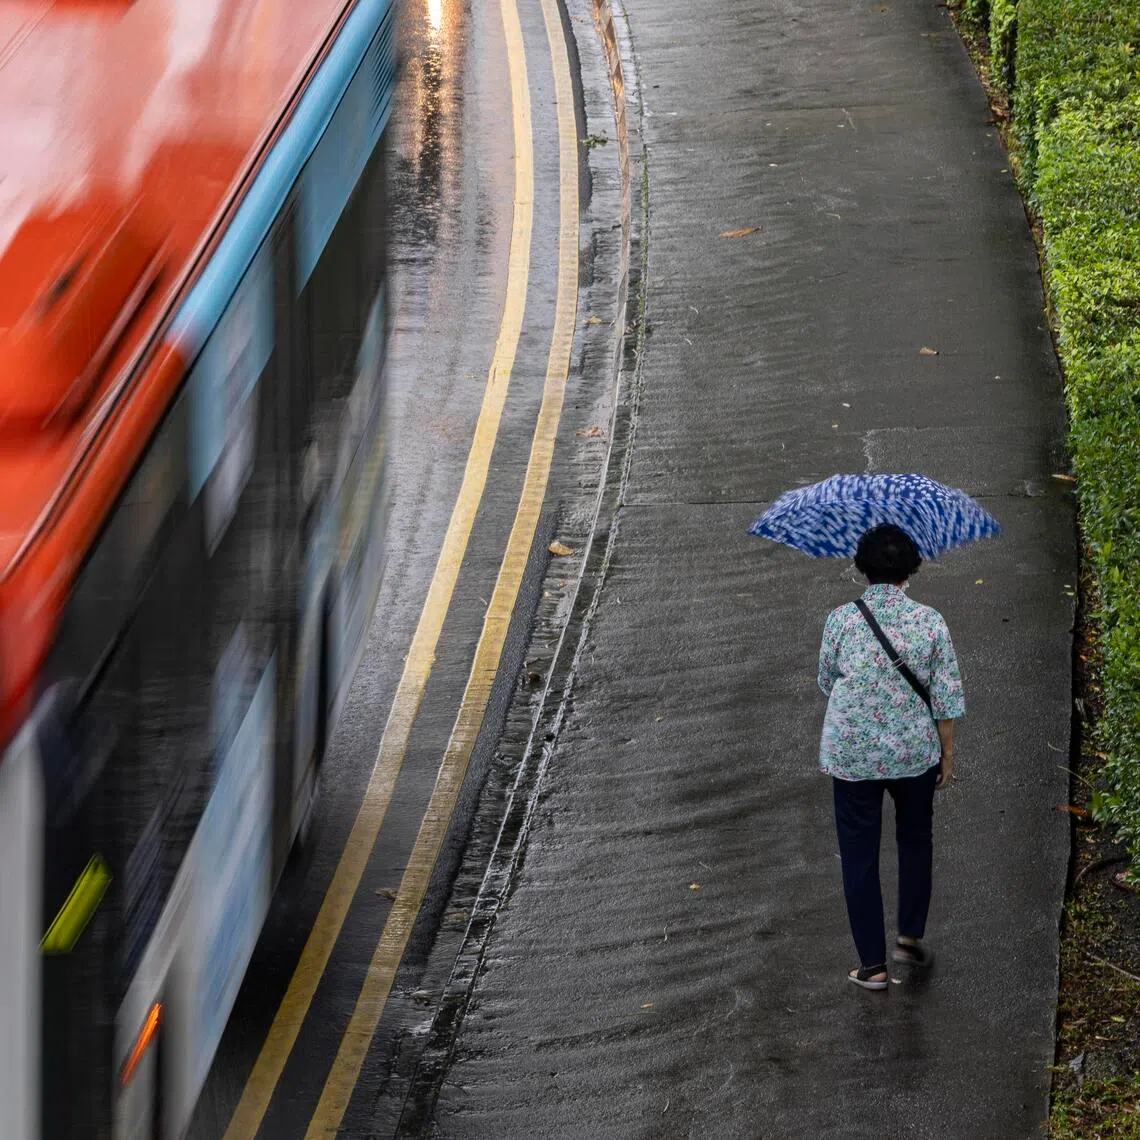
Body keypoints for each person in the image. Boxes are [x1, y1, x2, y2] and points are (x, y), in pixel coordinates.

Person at [817, 524, 965, 991]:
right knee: (916, 839)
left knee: (858, 854)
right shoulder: (930, 622)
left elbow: (827, 679)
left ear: (862, 568)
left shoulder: (841, 620)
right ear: (911, 569)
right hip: (914, 754)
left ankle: (872, 967)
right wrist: (946, 755)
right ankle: (909, 936)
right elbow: (946, 699)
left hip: (854, 755)